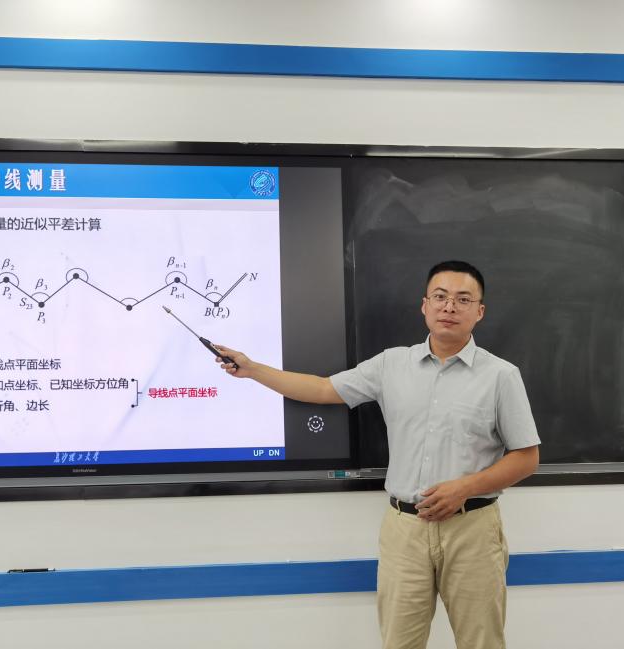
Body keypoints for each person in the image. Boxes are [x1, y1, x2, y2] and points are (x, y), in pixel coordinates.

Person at [215, 260, 540, 649]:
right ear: (425, 305)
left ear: (479, 311)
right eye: (440, 297)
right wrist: (253, 369)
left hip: (472, 528)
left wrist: (464, 488)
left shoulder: (501, 375)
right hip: (405, 530)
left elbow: (527, 457)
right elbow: (322, 389)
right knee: (399, 642)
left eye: (462, 299)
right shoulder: (391, 364)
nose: (449, 307)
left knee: (481, 642)